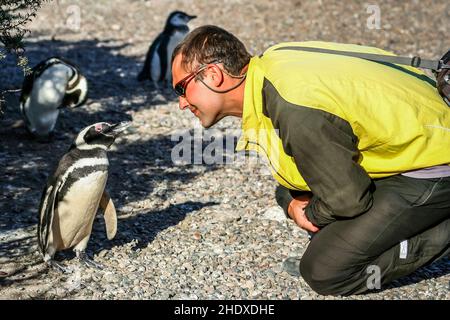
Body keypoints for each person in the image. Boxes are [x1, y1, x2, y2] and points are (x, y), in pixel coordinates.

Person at [171, 25, 450, 296]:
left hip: (436, 159)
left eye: (181, 89)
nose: (181, 103)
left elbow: (348, 200)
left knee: (325, 269)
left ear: (212, 74)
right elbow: (299, 166)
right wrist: (289, 201)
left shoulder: (294, 105)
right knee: (306, 202)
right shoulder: (275, 64)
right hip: (421, 135)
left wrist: (310, 213)